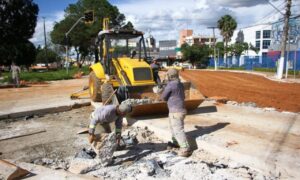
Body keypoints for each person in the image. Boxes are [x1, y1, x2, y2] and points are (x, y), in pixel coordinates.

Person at [160, 68, 191, 157]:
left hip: (175, 112)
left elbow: (163, 97)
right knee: (173, 128)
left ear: (170, 76)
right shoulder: (180, 84)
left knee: (178, 130)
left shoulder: (170, 85)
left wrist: (160, 90)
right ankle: (176, 142)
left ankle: (185, 149)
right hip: (179, 110)